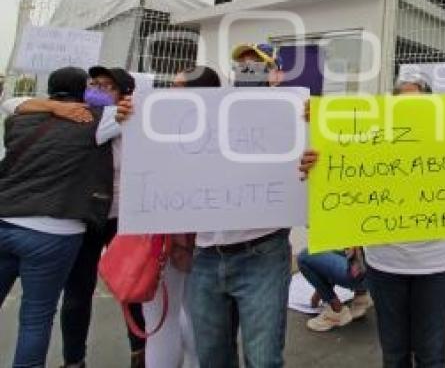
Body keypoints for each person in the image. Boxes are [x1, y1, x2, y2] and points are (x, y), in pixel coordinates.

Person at [299, 75, 445, 367]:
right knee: (394, 354)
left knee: (432, 355)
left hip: (437, 265)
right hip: (384, 264)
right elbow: (343, 176)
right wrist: (318, 165)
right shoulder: (369, 143)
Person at [1, 66, 146, 368]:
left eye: (108, 86)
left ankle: (140, 351)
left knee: (131, 289)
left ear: (125, 93)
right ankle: (74, 360)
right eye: (94, 84)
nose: (98, 90)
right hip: (83, 218)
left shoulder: (122, 119)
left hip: (122, 217)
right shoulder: (89, 118)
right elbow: (12, 102)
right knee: (75, 294)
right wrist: (56, 106)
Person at [187, 57, 293, 368]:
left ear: (275, 75)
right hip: (206, 255)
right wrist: (131, 117)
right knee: (212, 357)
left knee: (263, 359)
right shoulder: (205, 117)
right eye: (242, 65)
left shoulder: (292, 114)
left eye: (257, 65)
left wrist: (312, 125)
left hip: (262, 253)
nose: (248, 70)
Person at [140, 67, 221, 368]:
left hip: (189, 240)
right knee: (176, 318)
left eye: (179, 87)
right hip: (176, 239)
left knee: (178, 320)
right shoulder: (152, 122)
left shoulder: (166, 126)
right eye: (171, 85)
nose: (171, 92)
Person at [296, 247, 372, 331]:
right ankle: (361, 297)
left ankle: (336, 310)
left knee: (304, 256)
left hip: (359, 274)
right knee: (350, 246)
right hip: (378, 273)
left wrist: (324, 293)